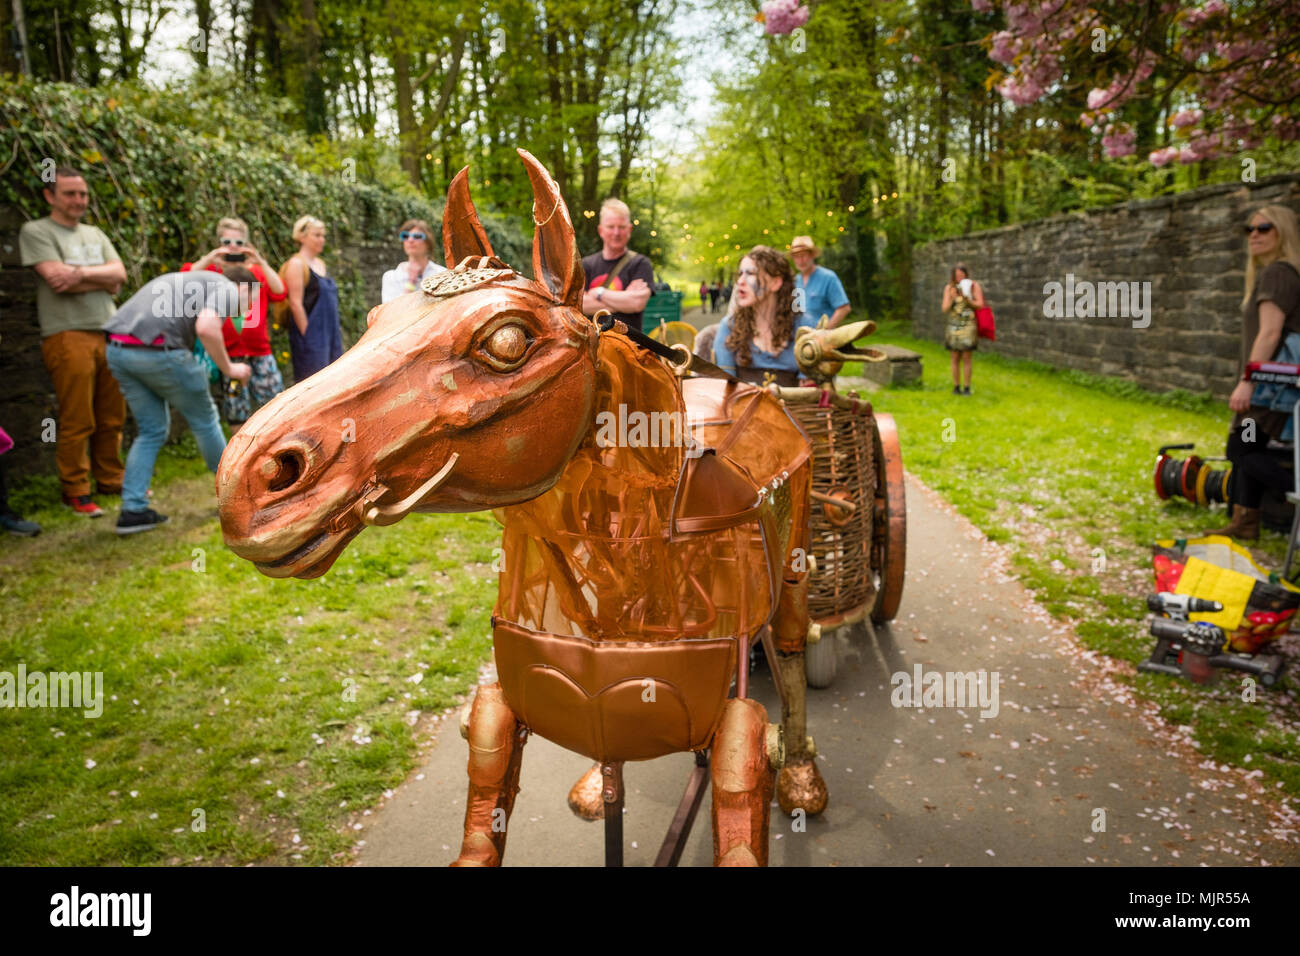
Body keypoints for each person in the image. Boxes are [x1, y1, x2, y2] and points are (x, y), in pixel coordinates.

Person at [103, 270, 252, 534]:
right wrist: (230, 369)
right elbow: (206, 328)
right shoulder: (228, 288)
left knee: (151, 430)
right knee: (205, 421)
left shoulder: (191, 280)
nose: (247, 309)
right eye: (251, 300)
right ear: (245, 288)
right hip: (160, 351)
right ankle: (237, 496)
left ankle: (133, 510)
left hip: (117, 349)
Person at [19, 166, 128, 517]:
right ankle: (76, 490)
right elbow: (55, 279)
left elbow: (120, 275)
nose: (79, 200)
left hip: (109, 331)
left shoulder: (94, 232)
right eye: (70, 193)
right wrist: (100, 278)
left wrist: (77, 274)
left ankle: (111, 479)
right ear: (50, 195)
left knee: (112, 415)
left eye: (82, 194)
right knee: (77, 418)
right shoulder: (36, 231)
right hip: (66, 334)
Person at [1205, 205, 1300, 541]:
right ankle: (1245, 522)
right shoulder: (1283, 273)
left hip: (1267, 388)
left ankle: (1289, 495)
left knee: (1242, 450)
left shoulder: (1279, 274)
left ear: (1283, 232)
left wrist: (1248, 382)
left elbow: (1270, 333)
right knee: (1250, 448)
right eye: (1251, 230)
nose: (1255, 235)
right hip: (1274, 386)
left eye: (1265, 228)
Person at [182, 217, 287, 425]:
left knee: (278, 406)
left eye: (238, 243)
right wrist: (211, 258)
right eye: (226, 242)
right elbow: (184, 279)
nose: (232, 247)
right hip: (230, 358)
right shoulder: (211, 273)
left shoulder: (256, 272)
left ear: (246, 245)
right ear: (219, 243)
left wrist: (261, 262)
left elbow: (280, 292)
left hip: (261, 354)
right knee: (236, 410)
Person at [712, 245, 819, 387]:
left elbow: (810, 394)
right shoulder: (729, 327)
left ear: (775, 283)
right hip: (742, 407)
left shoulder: (805, 327)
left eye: (750, 274)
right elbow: (723, 390)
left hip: (793, 408)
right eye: (740, 274)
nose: (740, 282)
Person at [284, 215, 343, 383]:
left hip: (331, 335)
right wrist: (308, 337)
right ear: (302, 237)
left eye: (323, 235)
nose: (322, 239)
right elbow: (295, 303)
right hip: (313, 340)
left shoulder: (321, 264)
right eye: (317, 235)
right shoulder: (296, 264)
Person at [580, 198, 654, 330]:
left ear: (629, 229)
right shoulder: (586, 264)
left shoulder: (640, 263)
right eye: (610, 227)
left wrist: (599, 292)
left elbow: (636, 303)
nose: (616, 232)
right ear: (600, 230)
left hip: (629, 347)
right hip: (591, 346)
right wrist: (623, 302)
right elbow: (579, 305)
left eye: (622, 227)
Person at [789, 235, 851, 329]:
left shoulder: (828, 277)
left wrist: (824, 332)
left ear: (812, 255)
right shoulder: (795, 281)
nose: (800, 260)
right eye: (796, 257)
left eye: (803, 255)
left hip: (824, 338)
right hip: (801, 338)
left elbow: (844, 308)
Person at [381, 218, 448, 303]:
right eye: (405, 236)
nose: (410, 240)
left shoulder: (443, 274)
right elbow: (390, 314)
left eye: (417, 236)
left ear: (428, 242)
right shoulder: (391, 277)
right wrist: (411, 282)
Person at [941, 263, 984, 395]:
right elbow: (944, 309)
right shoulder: (949, 288)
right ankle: (956, 386)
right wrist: (953, 299)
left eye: (962, 274)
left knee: (966, 356)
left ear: (966, 274)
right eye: (957, 275)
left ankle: (966, 387)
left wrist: (968, 300)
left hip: (968, 325)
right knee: (954, 356)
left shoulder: (973, 286)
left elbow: (980, 305)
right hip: (954, 325)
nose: (959, 277)